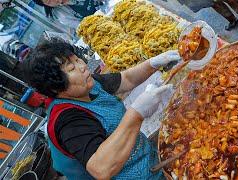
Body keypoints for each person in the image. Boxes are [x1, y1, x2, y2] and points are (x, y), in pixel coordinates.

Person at [22, 38, 180, 179]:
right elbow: (101, 168)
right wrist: (137, 113)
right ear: (56, 88)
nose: (82, 66)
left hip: (153, 159)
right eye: (71, 69)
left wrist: (153, 63)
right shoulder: (68, 121)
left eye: (77, 60)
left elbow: (126, 79)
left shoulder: (89, 85)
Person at [33, 0, 104, 30]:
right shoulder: (60, 14)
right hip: (99, 24)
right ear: (46, 5)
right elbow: (82, 26)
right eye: (49, 1)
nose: (54, 0)